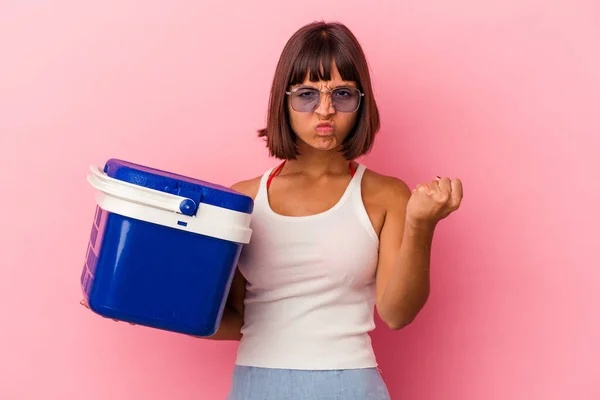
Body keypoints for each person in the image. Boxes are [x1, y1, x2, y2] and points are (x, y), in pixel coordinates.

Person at [214, 21, 464, 399]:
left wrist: (420, 224)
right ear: (284, 100)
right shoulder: (242, 200)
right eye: (307, 95)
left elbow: (397, 314)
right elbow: (234, 318)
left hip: (350, 386)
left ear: (361, 102)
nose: (325, 110)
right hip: (257, 386)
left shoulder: (386, 196)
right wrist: (139, 304)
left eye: (342, 94)